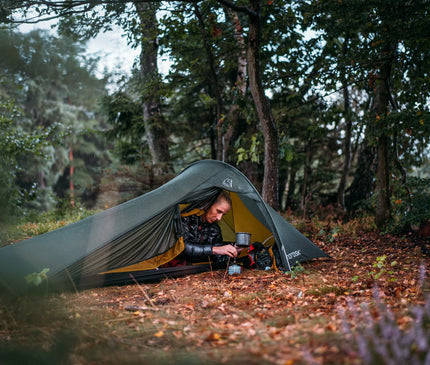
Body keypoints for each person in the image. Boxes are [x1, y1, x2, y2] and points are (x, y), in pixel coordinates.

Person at [181, 191, 239, 260]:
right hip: (174, 268)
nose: (219, 218)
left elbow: (218, 259)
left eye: (223, 214)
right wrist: (214, 249)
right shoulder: (185, 218)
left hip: (199, 268)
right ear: (208, 204)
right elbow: (181, 247)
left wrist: (234, 251)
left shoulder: (215, 229)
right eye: (218, 211)